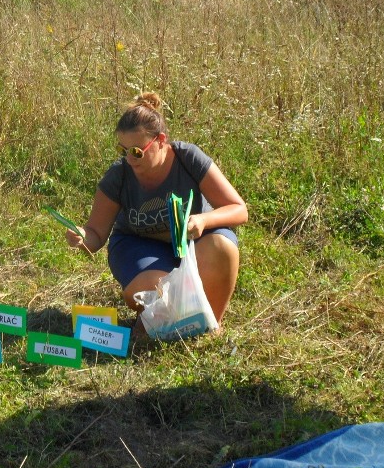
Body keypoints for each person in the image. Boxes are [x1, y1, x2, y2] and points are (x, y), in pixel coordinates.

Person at [65, 92, 248, 326]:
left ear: (161, 140)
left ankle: (210, 325)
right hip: (140, 246)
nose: (130, 160)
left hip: (193, 244)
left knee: (222, 246)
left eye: (137, 151)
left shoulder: (187, 158)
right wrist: (82, 236)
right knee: (155, 291)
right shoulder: (119, 174)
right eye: (123, 151)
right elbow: (96, 235)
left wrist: (203, 220)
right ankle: (162, 323)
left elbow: (238, 209)